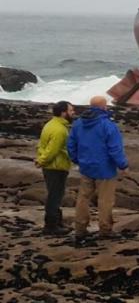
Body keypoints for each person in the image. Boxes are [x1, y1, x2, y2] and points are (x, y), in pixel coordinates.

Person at [68, 95, 129, 242]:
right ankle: (105, 229)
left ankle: (80, 229)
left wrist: (77, 159)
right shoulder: (108, 125)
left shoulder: (78, 123)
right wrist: (123, 165)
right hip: (105, 169)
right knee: (105, 200)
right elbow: (115, 149)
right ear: (104, 107)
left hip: (86, 166)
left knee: (83, 198)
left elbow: (71, 144)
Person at [35, 100, 75, 234]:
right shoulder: (59, 129)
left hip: (52, 166)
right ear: (63, 113)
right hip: (55, 167)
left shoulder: (51, 124)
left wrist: (41, 159)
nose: (73, 113)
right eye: (71, 110)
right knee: (55, 196)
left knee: (55, 195)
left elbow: (42, 145)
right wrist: (41, 160)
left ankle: (57, 223)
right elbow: (52, 150)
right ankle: (51, 226)